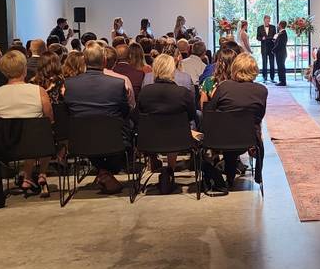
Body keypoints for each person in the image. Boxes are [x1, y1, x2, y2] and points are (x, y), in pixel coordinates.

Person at [62, 44, 130, 194]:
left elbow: (68, 113)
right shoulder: (117, 84)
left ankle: (102, 171)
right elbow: (125, 112)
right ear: (105, 61)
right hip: (113, 139)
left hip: (80, 141)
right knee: (126, 132)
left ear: (84, 61)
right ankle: (105, 173)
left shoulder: (69, 84)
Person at [0, 50, 54, 198]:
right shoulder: (39, 91)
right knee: (41, 132)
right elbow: (49, 119)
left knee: (29, 135)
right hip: (38, 146)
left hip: (6, 148)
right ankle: (41, 173)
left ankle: (28, 177)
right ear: (24, 69)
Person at [204, 53, 268, 190]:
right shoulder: (262, 90)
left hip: (222, 138)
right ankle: (246, 175)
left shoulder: (224, 87)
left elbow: (210, 111)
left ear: (235, 69)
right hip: (249, 139)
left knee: (227, 128)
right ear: (254, 70)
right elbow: (259, 116)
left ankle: (225, 174)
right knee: (240, 129)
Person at [138, 53, 198, 193]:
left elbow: (138, 115)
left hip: (149, 139)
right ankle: (170, 168)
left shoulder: (145, 92)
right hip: (179, 139)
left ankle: (155, 161)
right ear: (172, 69)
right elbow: (192, 116)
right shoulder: (183, 92)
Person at [257, 14, 277, 83]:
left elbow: (275, 36)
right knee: (264, 63)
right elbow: (258, 37)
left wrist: (272, 38)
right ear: (264, 20)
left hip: (272, 48)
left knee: (272, 63)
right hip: (264, 47)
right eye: (266, 20)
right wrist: (262, 38)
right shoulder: (259, 28)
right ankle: (264, 77)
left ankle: (272, 78)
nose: (268, 21)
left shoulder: (273, 27)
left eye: (269, 20)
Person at [274, 20, 288, 86]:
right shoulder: (281, 33)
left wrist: (273, 50)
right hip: (281, 52)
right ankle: (281, 80)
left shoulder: (282, 34)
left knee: (281, 67)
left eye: (278, 24)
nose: (277, 25)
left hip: (280, 53)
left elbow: (280, 44)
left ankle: (282, 81)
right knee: (280, 67)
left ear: (280, 25)